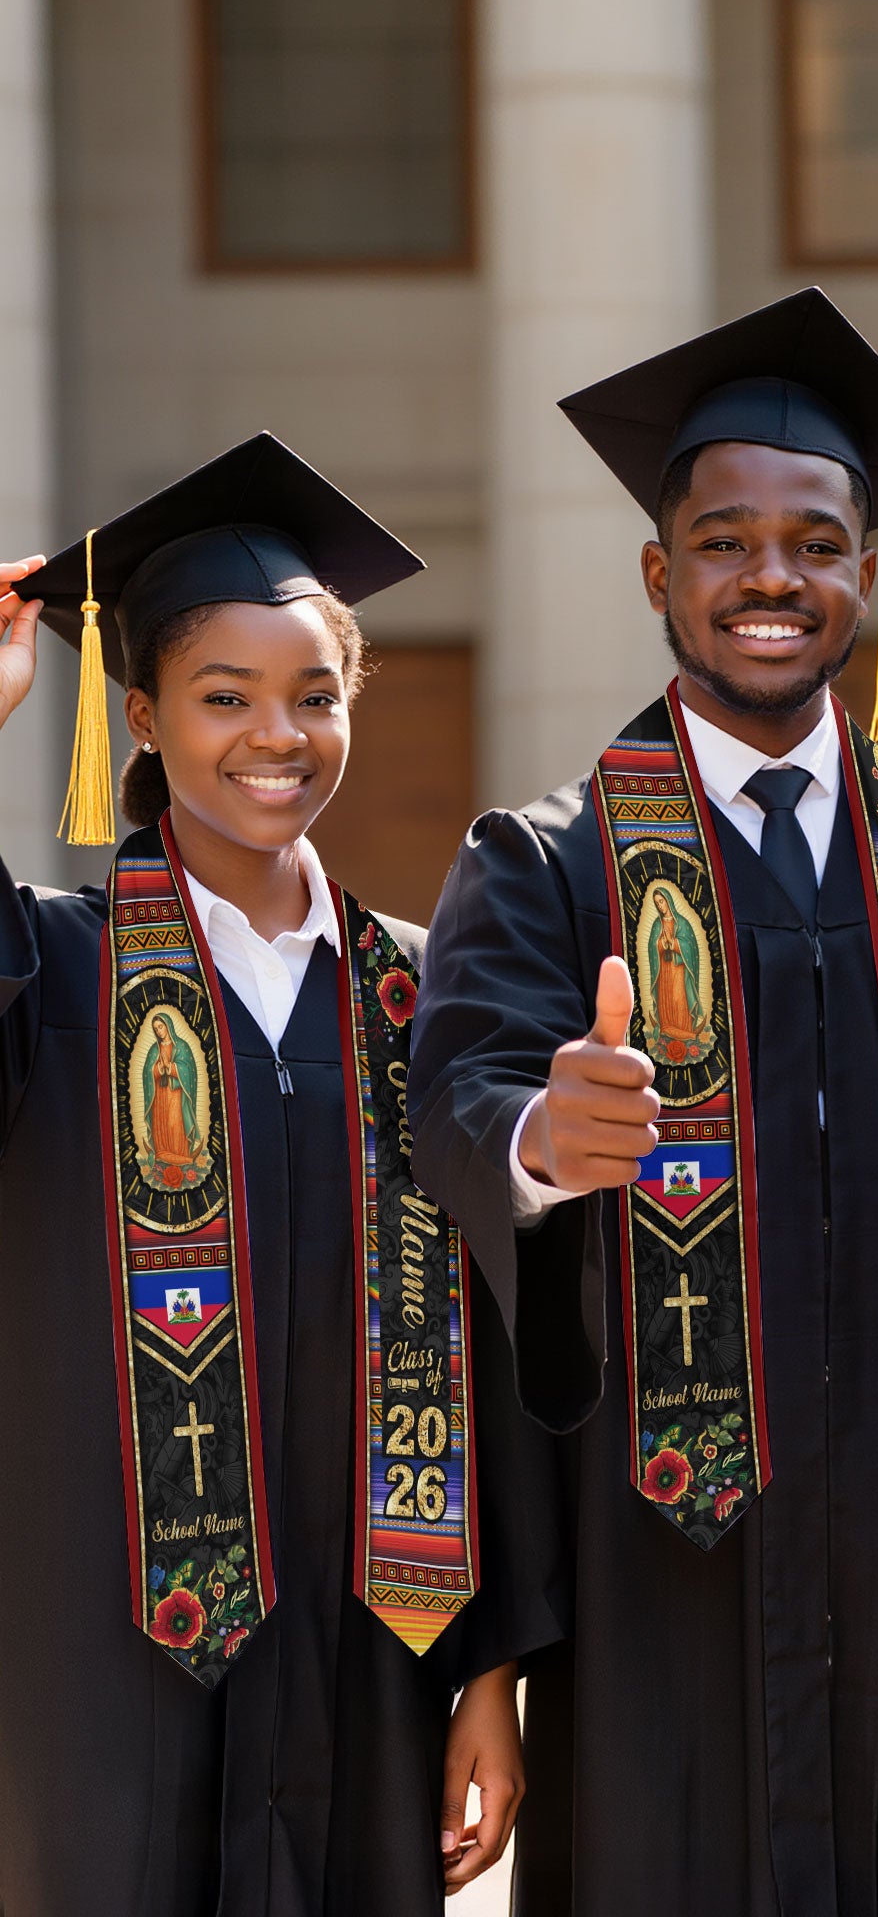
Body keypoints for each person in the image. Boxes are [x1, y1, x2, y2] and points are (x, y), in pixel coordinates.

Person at [407, 289, 878, 1913]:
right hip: (651, 1586)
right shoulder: (548, 864)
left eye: (815, 543)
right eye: (723, 543)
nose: (771, 578)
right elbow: (456, 1107)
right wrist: (541, 1142)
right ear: (660, 575)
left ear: (871, 574)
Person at [0, 435, 567, 1917]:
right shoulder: (50, 974)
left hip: (370, 1649)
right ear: (140, 716)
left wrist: (491, 1675)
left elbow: (496, 1345)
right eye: (224, 697)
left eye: (316, 696)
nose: (278, 735)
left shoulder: (425, 998)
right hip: (97, 1666)